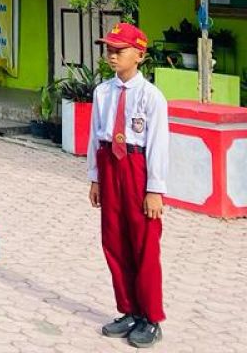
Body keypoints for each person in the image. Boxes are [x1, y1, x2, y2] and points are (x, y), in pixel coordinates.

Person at [88, 22, 168, 349]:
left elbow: (159, 143)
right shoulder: (102, 92)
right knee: (114, 241)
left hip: (137, 166)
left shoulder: (151, 97)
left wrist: (155, 189)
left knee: (144, 244)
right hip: (110, 165)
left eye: (119, 50)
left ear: (139, 54)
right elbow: (96, 136)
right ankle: (129, 309)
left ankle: (151, 316)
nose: (112, 56)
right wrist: (95, 178)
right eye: (109, 49)